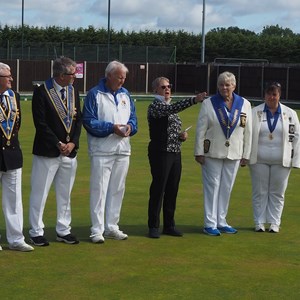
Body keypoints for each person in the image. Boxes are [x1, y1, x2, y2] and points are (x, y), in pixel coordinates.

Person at [82, 60, 137, 244]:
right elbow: (89, 122)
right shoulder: (94, 94)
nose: (122, 81)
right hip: (101, 150)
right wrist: (111, 128)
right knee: (99, 190)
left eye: (124, 78)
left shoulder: (125, 94)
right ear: (109, 75)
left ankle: (112, 226)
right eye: (120, 77)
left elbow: (133, 118)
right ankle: (96, 230)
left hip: (123, 150)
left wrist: (130, 127)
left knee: (117, 189)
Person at [29, 56, 82, 246]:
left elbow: (78, 120)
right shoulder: (42, 92)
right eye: (72, 74)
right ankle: (36, 231)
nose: (74, 77)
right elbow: (40, 123)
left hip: (69, 153)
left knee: (65, 194)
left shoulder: (73, 90)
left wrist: (73, 143)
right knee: (40, 192)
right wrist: (58, 143)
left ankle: (63, 229)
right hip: (48, 152)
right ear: (60, 75)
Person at [147, 76, 207, 238]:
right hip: (160, 152)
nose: (167, 89)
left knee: (172, 189)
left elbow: (171, 125)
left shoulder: (168, 106)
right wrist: (194, 100)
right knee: (159, 189)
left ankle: (169, 225)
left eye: (169, 86)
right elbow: (170, 111)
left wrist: (181, 135)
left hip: (175, 152)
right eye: (163, 87)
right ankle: (153, 225)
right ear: (155, 90)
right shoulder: (156, 106)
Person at [194, 71, 252, 236]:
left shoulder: (244, 104)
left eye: (227, 85)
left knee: (226, 187)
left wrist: (246, 154)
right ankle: (209, 223)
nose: (224, 88)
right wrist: (199, 152)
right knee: (212, 187)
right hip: (212, 152)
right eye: (221, 84)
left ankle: (221, 220)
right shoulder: (209, 103)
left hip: (234, 152)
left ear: (234, 86)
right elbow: (200, 130)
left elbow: (249, 131)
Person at [249, 82, 300, 233]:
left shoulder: (290, 113)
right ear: (264, 95)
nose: (271, 97)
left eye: (274, 94)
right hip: (258, 159)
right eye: (269, 94)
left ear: (279, 95)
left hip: (282, 160)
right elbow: (247, 135)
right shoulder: (255, 112)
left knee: (278, 193)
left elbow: (297, 137)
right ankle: (259, 222)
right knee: (259, 191)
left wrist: (296, 160)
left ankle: (274, 223)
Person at [0, 62, 34, 251]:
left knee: (14, 201)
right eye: (8, 76)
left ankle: (16, 239)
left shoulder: (15, 97)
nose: (12, 79)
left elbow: (16, 126)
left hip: (12, 154)